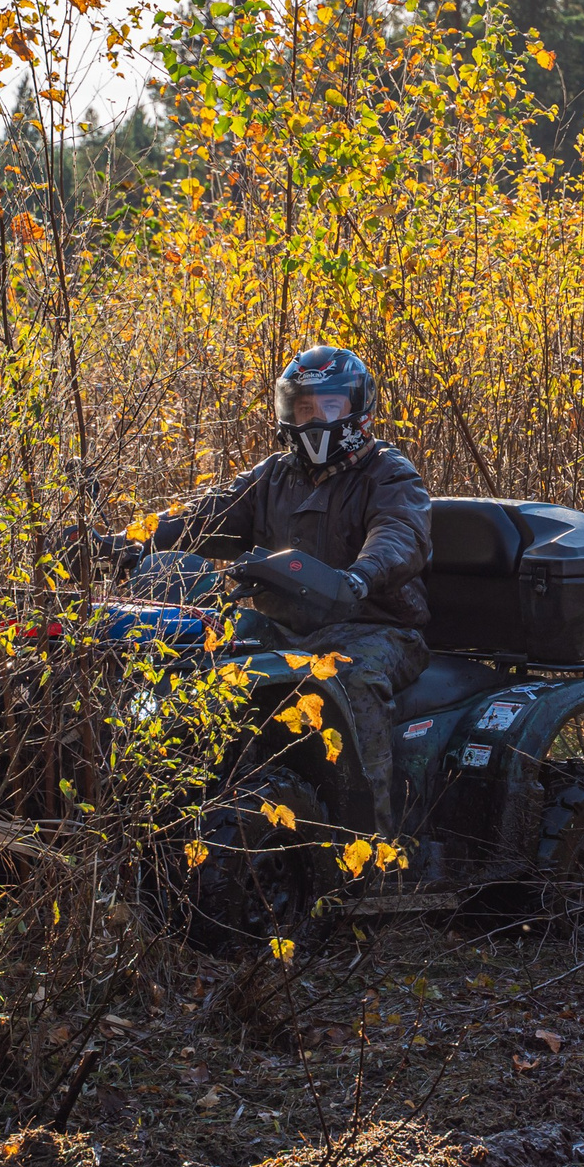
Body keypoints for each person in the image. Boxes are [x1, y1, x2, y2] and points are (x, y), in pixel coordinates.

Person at [124, 346, 433, 834]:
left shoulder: (388, 472)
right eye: (304, 407)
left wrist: (361, 575)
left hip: (374, 627)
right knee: (202, 652)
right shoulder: (274, 474)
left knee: (352, 683)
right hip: (282, 627)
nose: (315, 418)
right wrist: (129, 540)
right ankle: (174, 802)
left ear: (358, 409)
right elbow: (206, 514)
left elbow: (400, 534)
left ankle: (372, 842)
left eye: (329, 406)